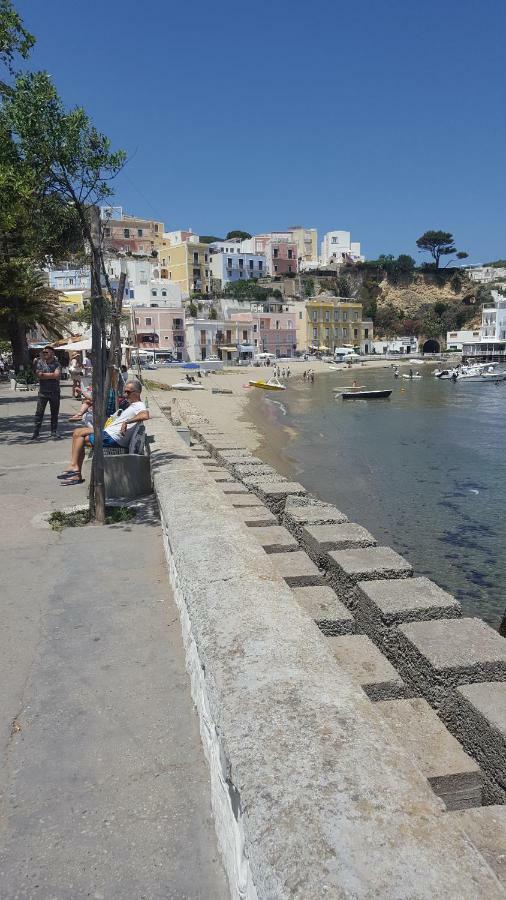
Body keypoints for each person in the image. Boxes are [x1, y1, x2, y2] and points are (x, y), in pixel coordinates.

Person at [58, 379, 150, 485]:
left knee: (78, 433)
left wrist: (126, 422)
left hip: (112, 437)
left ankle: (74, 467)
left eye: (128, 392)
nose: (125, 394)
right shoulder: (133, 405)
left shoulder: (139, 405)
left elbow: (145, 415)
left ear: (137, 393)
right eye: (125, 391)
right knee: (79, 437)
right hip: (108, 433)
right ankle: (76, 473)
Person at [31, 346, 61, 441]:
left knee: (54, 413)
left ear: (52, 353)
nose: (44, 354)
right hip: (43, 392)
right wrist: (51, 375)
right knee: (39, 413)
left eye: (46, 352)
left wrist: (45, 375)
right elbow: (39, 375)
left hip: (54, 392)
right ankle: (36, 432)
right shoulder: (40, 363)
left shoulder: (57, 364)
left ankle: (54, 432)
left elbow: (57, 375)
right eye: (43, 352)